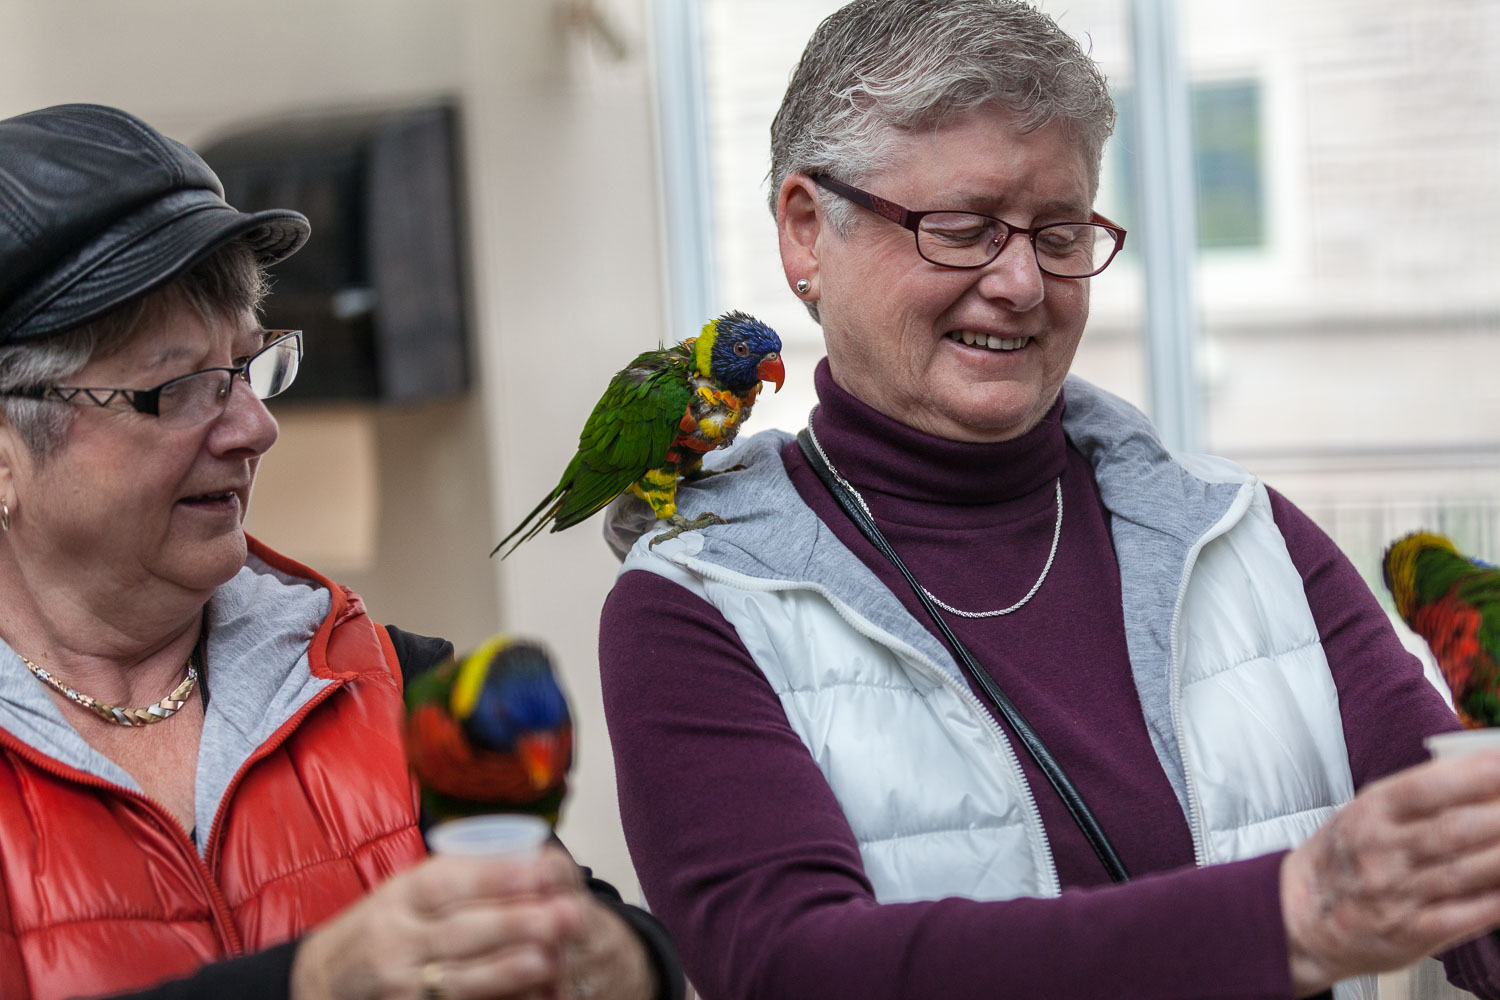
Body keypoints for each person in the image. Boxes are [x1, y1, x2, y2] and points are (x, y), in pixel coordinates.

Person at [596, 2, 1500, 997]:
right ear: (807, 233)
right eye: (964, 228)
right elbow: (795, 966)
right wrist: (1290, 916)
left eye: (1061, 232)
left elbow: (1469, 871)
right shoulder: (696, 603)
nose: (1022, 281)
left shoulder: (1248, 539)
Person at [0, 103, 682, 1000]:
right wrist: (312, 983)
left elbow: (595, 932)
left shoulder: (405, 691)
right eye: (182, 388)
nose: (256, 426)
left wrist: (619, 964)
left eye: (250, 368)